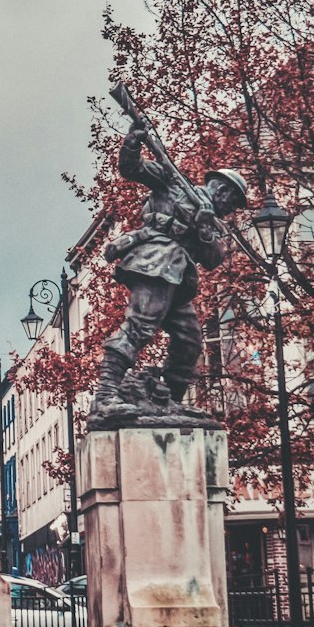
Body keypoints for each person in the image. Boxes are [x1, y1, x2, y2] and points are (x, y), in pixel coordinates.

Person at [91, 126, 247, 419]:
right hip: (154, 263)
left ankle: (168, 402)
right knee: (140, 326)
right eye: (233, 203)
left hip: (179, 280)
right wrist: (133, 142)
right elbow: (131, 169)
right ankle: (105, 395)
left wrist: (203, 227)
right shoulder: (173, 183)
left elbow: (214, 258)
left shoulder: (213, 222)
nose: (230, 210)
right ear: (222, 191)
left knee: (189, 341)